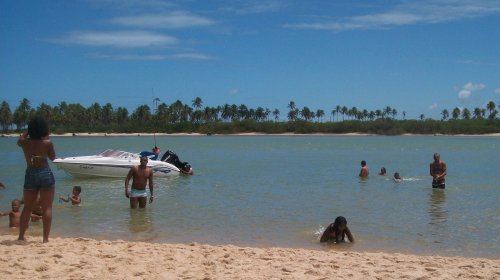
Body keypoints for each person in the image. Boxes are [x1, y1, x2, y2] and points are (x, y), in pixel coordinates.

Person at [17, 116, 56, 243]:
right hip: (45, 173)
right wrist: (46, 138)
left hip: (30, 173)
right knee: (47, 208)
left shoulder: (24, 142)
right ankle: (45, 239)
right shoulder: (47, 143)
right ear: (44, 130)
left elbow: (20, 139)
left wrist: (28, 132)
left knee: (27, 207)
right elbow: (53, 158)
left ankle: (21, 236)